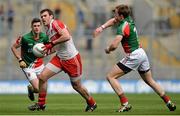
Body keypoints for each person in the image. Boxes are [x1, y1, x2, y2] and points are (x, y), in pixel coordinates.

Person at [93, 4, 176, 112]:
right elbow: (114, 20)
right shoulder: (128, 19)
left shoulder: (122, 26)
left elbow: (114, 45)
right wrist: (102, 28)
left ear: (121, 16)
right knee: (150, 81)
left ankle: (125, 103)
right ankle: (168, 102)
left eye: (116, 13)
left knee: (110, 77)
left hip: (134, 55)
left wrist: (108, 49)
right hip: (141, 53)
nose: (114, 15)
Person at [28, 8, 97, 112]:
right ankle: (41, 104)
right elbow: (57, 46)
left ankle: (92, 103)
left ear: (51, 16)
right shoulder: (47, 29)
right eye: (41, 16)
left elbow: (67, 36)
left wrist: (50, 44)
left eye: (45, 16)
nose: (43, 18)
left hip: (72, 59)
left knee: (77, 86)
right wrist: (46, 52)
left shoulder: (56, 24)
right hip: (59, 58)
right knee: (42, 77)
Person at [11, 18, 49, 102]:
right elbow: (13, 47)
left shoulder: (44, 37)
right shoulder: (25, 38)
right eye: (34, 26)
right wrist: (20, 60)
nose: (36, 28)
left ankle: (32, 91)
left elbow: (51, 47)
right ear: (31, 27)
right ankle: (33, 90)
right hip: (28, 66)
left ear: (40, 26)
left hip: (40, 65)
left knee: (43, 88)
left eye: (38, 26)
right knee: (38, 88)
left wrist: (46, 53)